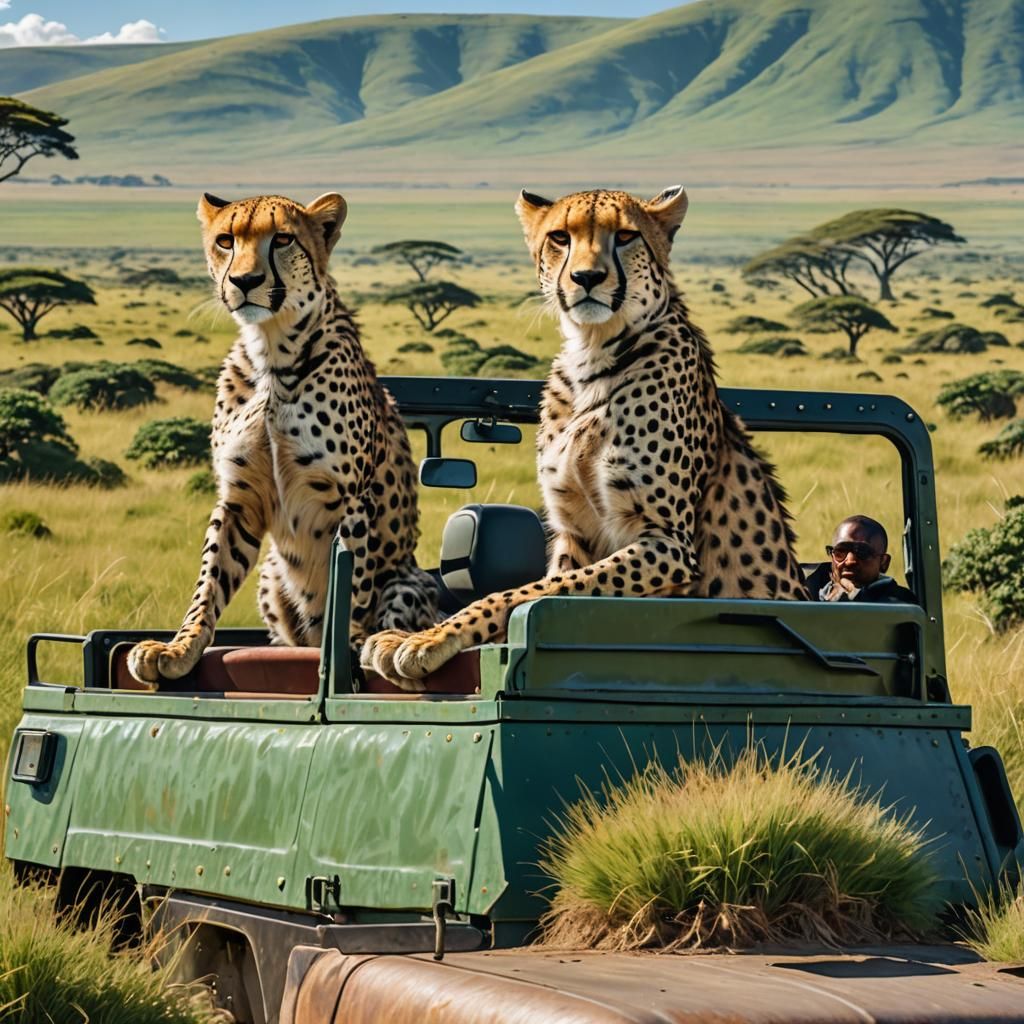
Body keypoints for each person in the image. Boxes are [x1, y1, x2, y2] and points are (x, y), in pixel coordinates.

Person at [805, 515, 916, 604]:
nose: (849, 561)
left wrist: (854, 602)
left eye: (863, 552)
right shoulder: (806, 588)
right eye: (840, 552)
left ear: (884, 562)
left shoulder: (901, 603)